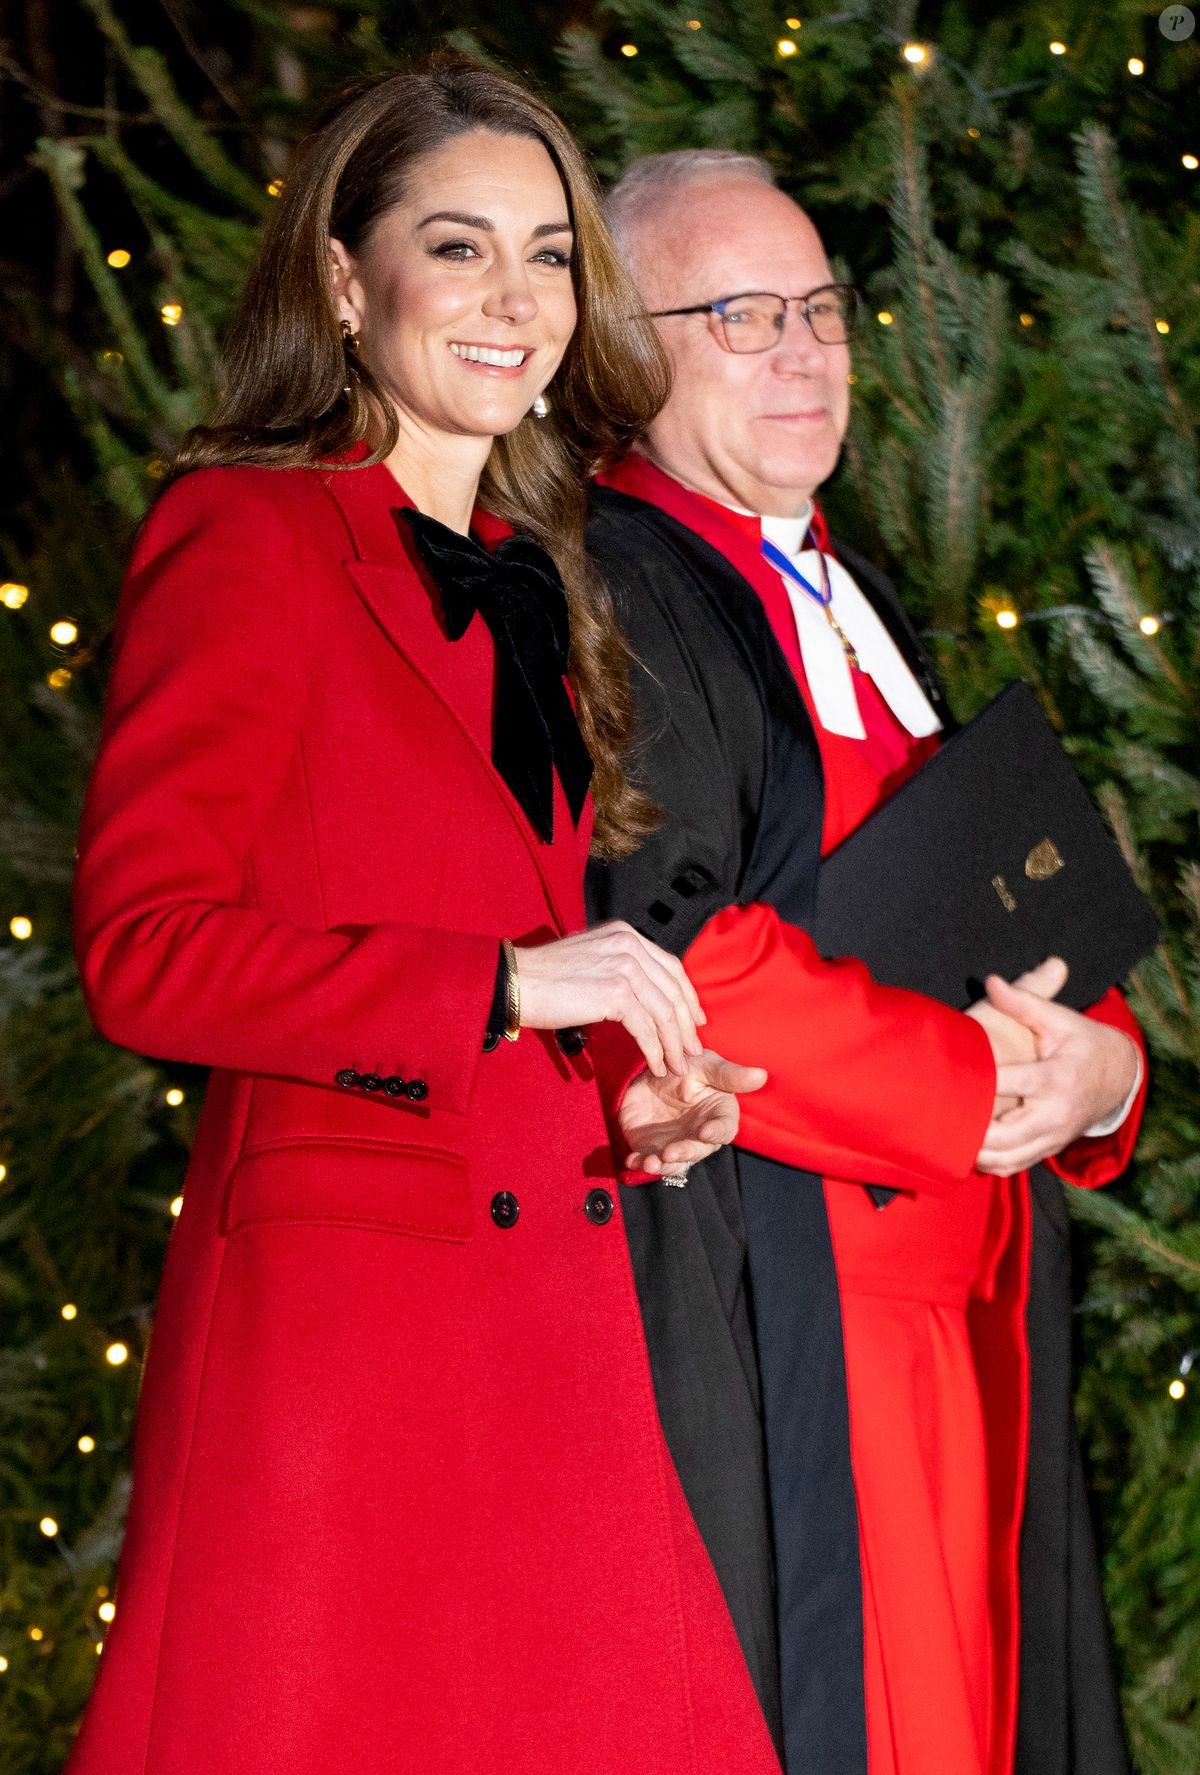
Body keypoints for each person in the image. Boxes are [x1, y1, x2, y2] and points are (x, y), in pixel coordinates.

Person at [67, 77, 782, 1775]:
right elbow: (144, 948)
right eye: (454, 248)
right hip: (349, 1352)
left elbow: (479, 952)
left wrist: (627, 1097)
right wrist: (509, 986)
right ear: (338, 278)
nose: (515, 298)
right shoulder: (242, 533)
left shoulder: (537, 571)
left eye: (547, 255)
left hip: (554, 1321)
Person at [585, 150, 1147, 1775]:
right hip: (800, 1315)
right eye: (744, 314)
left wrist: (1106, 1072)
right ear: (625, 348)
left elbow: (985, 899)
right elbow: (683, 951)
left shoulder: (852, 591)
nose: (808, 352)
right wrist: (980, 1087)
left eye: (823, 309)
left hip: (961, 1314)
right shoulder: (625, 587)